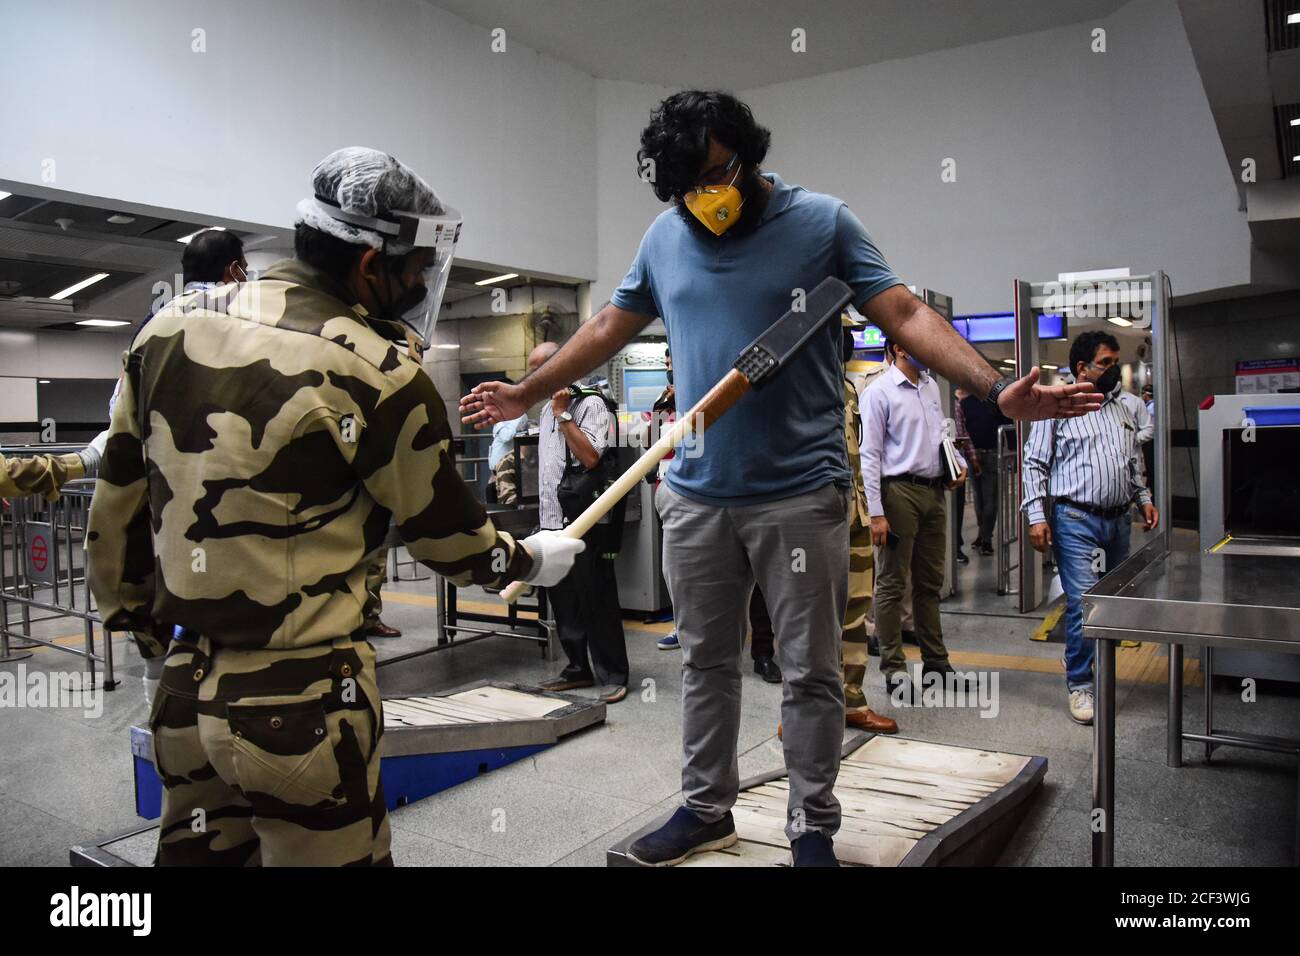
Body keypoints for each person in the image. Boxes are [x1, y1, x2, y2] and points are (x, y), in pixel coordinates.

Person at [461, 91, 1099, 867]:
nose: (704, 200)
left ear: (748, 154)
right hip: (694, 493)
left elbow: (900, 310)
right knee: (704, 663)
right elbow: (606, 327)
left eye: (714, 177)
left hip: (800, 493)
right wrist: (527, 393)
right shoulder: (666, 237)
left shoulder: (822, 222)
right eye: (686, 189)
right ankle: (705, 809)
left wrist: (994, 388)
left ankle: (812, 825)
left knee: (811, 670)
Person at [86, 147, 583, 866]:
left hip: (185, 689)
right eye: (414, 272)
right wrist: (528, 560)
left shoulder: (167, 329)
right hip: (303, 704)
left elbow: (119, 504)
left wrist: (142, 626)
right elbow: (448, 540)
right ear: (367, 266)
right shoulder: (378, 371)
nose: (418, 287)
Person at [1021, 331, 1159, 725]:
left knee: (1113, 603)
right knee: (1085, 603)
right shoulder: (1057, 406)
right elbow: (1035, 463)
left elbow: (1131, 460)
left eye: (1116, 362)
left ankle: (1100, 669)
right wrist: (1036, 517)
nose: (1114, 369)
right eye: (1106, 363)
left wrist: (1143, 498)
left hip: (1117, 521)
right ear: (1081, 368)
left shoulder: (1122, 409)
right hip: (1075, 518)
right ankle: (1080, 683)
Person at [863, 338, 968, 699]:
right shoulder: (879, 392)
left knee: (929, 583)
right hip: (898, 493)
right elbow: (870, 455)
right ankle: (894, 669)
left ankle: (936, 664)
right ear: (900, 349)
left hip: (933, 491)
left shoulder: (931, 388)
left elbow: (941, 435)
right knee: (892, 583)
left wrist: (957, 463)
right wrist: (876, 513)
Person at [531, 342, 630, 704]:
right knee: (565, 598)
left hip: (587, 521)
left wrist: (563, 414)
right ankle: (577, 668)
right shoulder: (544, 411)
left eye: (541, 369)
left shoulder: (591, 405)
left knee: (596, 598)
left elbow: (590, 458)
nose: (535, 378)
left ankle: (614, 673)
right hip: (553, 522)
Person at [839, 320, 898, 734]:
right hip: (814, 523)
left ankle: (850, 700)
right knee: (808, 618)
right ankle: (801, 709)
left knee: (854, 612)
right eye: (838, 332)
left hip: (852, 514)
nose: (847, 341)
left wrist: (868, 509)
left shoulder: (845, 389)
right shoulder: (792, 390)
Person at [958, 386, 1012, 556]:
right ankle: (985, 537)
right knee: (988, 499)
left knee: (981, 498)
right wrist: (1012, 451)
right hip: (985, 453)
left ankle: (984, 536)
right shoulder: (994, 403)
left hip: (976, 454)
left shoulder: (966, 403)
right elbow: (1007, 424)